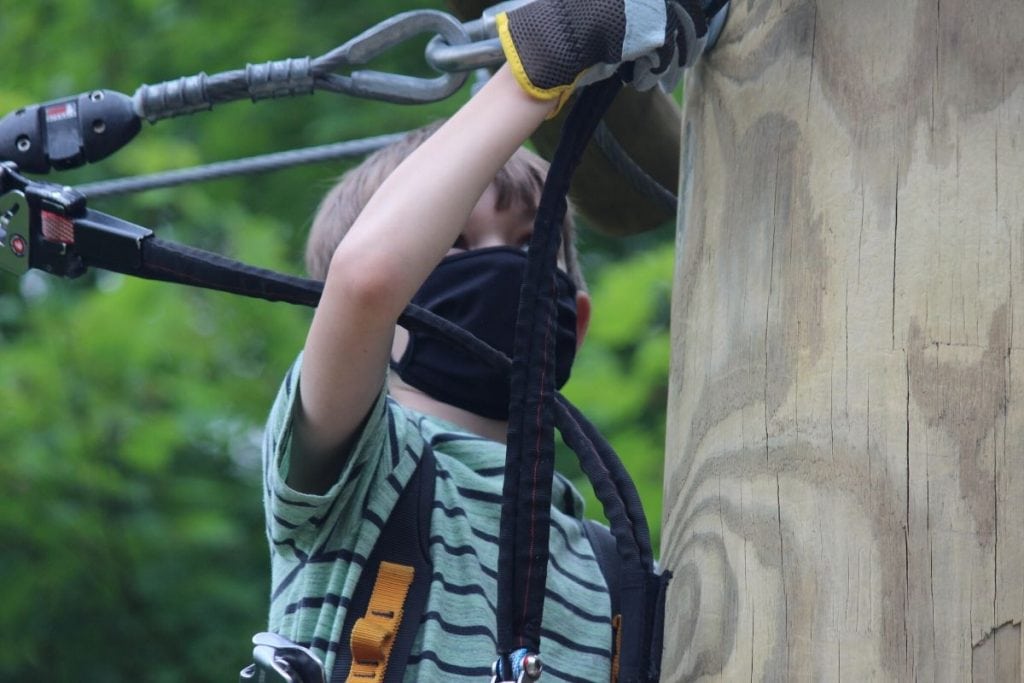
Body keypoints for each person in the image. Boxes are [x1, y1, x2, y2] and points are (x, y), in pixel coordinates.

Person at [260, 1, 706, 679]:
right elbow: (367, 276)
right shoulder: (348, 474)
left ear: (575, 320)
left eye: (533, 244)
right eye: (453, 244)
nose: (504, 268)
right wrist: (546, 56)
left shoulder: (619, 570)